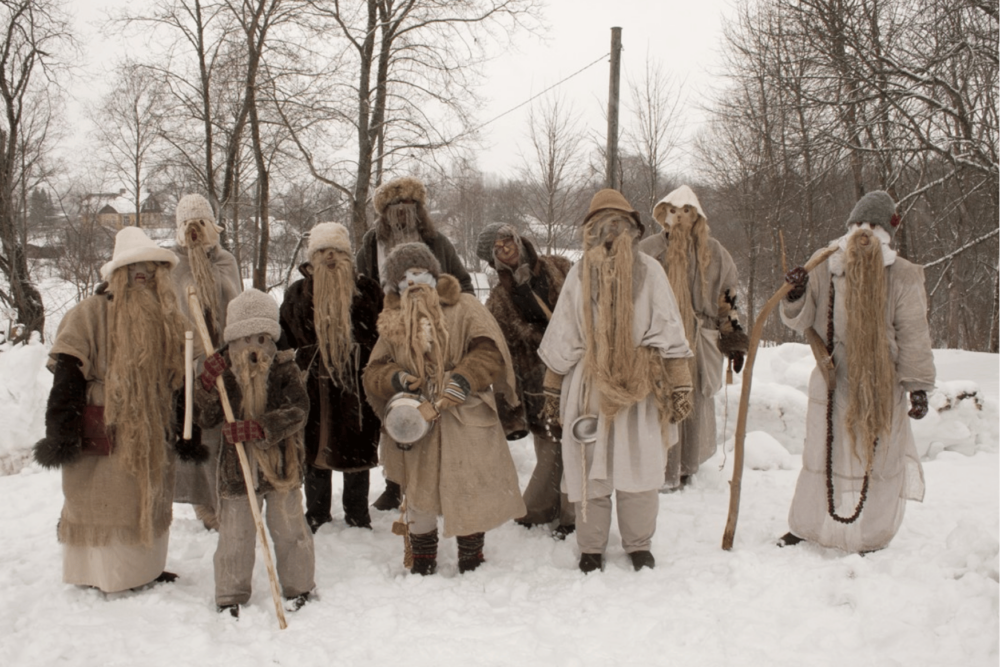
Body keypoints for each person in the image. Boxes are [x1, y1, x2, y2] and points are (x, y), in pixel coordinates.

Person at [33, 226, 202, 593]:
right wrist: (61, 429)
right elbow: (67, 373)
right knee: (105, 498)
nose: (142, 273)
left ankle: (145, 570)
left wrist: (189, 427)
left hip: (154, 423)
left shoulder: (169, 318)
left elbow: (182, 377)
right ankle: (103, 575)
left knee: (148, 494)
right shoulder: (88, 313)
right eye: (133, 267)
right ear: (117, 274)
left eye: (150, 267)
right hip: (104, 422)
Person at [538, 189, 694, 573]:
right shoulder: (578, 274)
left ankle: (638, 544)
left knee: (639, 465)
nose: (610, 233)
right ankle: (591, 546)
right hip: (589, 389)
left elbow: (669, 330)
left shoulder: (650, 272)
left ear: (632, 231)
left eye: (618, 225)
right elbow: (564, 334)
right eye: (602, 226)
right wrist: (552, 388)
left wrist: (680, 384)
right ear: (590, 232)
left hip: (639, 390)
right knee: (589, 466)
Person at [777, 191, 935, 554]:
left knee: (878, 458)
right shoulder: (824, 264)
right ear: (848, 228)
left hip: (882, 383)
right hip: (833, 380)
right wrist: (796, 292)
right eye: (859, 225)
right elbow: (798, 320)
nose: (865, 232)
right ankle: (805, 526)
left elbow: (913, 332)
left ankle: (872, 536)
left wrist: (918, 387)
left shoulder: (903, 274)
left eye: (874, 226)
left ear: (885, 233)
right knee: (821, 454)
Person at [362, 243, 526, 575]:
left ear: (434, 274)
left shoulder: (466, 306)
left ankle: (471, 555)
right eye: (405, 277)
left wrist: (465, 377)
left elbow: (488, 350)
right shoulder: (392, 321)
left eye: (419, 272)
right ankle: (422, 557)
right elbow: (374, 370)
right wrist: (397, 378)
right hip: (416, 417)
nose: (414, 281)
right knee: (418, 487)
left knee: (468, 483)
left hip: (465, 412)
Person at [355, 175, 475, 511]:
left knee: (437, 409)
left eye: (408, 204)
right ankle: (396, 483)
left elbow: (462, 283)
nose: (402, 212)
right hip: (389, 337)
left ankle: (439, 480)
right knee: (396, 408)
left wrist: (452, 318)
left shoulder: (437, 243)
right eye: (394, 205)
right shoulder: (371, 244)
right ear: (384, 212)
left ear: (418, 209)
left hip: (436, 336)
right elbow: (361, 289)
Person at [195, 288, 315, 617]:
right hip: (235, 470)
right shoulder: (222, 372)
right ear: (232, 339)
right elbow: (205, 417)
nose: (254, 347)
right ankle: (230, 595)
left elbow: (299, 410)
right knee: (235, 534)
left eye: (263, 338)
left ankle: (299, 585)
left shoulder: (283, 368)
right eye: (245, 338)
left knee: (290, 528)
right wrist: (205, 386)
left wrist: (261, 428)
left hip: (281, 466)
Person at [639, 185, 748, 491]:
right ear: (664, 216)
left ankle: (686, 466)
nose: (680, 219)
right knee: (660, 400)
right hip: (657, 340)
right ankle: (660, 465)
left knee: (694, 400)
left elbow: (727, 301)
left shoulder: (715, 253)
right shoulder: (649, 251)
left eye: (687, 212)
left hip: (699, 341)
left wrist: (733, 340)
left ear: (697, 216)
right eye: (673, 212)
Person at [279, 222, 383, 532]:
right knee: (316, 450)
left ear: (348, 256)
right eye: (322, 252)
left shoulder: (367, 290)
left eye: (336, 252)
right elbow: (284, 337)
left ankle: (357, 514)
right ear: (311, 259)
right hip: (314, 385)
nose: (330, 258)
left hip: (356, 385)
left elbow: (381, 334)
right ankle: (317, 513)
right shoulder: (297, 293)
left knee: (357, 450)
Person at [476, 223, 576, 539]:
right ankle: (541, 507)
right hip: (537, 376)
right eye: (498, 250)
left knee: (577, 440)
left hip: (577, 365)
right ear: (493, 261)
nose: (506, 249)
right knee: (549, 444)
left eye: (507, 242)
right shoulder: (499, 298)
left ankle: (572, 514)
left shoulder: (559, 266)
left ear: (518, 240)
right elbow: (497, 345)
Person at [170, 193, 243, 530]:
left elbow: (233, 300)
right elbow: (172, 307)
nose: (195, 231)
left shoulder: (225, 260)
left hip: (225, 356)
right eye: (188, 225)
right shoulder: (172, 264)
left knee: (222, 429)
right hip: (190, 359)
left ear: (212, 226)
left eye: (200, 223)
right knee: (194, 431)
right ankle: (202, 502)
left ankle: (226, 492)